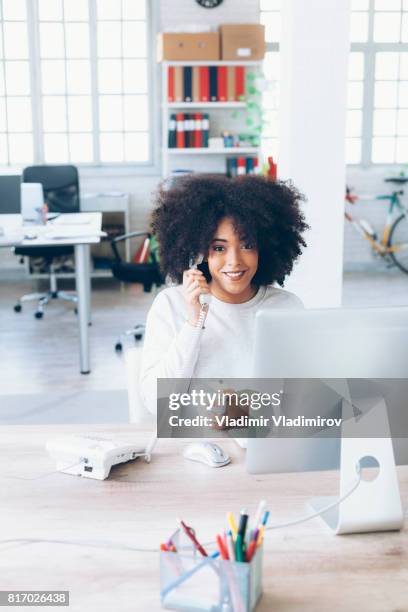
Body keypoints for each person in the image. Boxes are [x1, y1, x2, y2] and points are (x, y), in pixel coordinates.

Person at [140, 174, 308, 416]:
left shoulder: (285, 307)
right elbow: (156, 403)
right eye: (219, 248)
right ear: (200, 252)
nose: (234, 261)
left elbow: (302, 397)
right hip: (193, 446)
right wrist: (195, 321)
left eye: (247, 245)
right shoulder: (171, 305)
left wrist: (246, 409)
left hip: (263, 442)